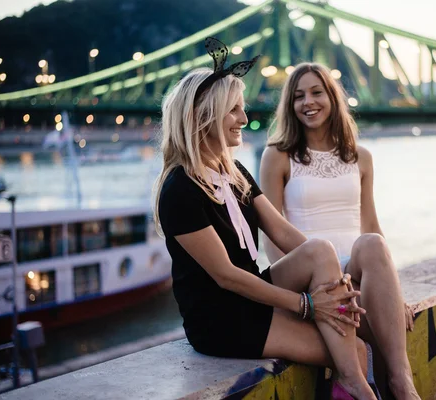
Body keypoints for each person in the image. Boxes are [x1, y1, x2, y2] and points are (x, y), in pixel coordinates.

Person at [154, 38, 377, 400]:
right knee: (354, 351)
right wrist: (307, 306)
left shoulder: (234, 171)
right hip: (221, 320)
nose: (244, 118)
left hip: (253, 299)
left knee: (320, 249)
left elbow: (284, 233)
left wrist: (340, 283)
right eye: (234, 111)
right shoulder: (179, 189)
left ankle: (351, 384)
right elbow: (226, 277)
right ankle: (355, 387)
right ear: (201, 116)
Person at [260, 62, 420, 399]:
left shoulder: (360, 157)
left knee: (373, 243)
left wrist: (395, 291)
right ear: (290, 105)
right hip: (310, 272)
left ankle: (401, 381)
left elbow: (371, 224)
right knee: (356, 296)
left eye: (317, 92)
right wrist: (300, 297)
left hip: (353, 272)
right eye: (299, 96)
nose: (308, 102)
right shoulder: (278, 156)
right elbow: (271, 233)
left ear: (333, 98)